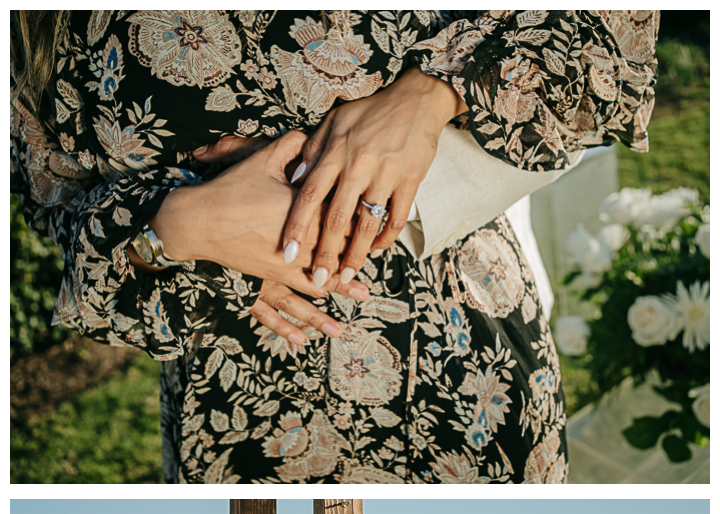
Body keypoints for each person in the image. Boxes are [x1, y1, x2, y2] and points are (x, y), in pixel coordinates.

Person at [11, 11, 659, 484]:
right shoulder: (35, 29)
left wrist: (430, 96)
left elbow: (605, 27)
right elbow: (64, 224)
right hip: (229, 423)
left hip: (460, 380)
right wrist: (179, 226)